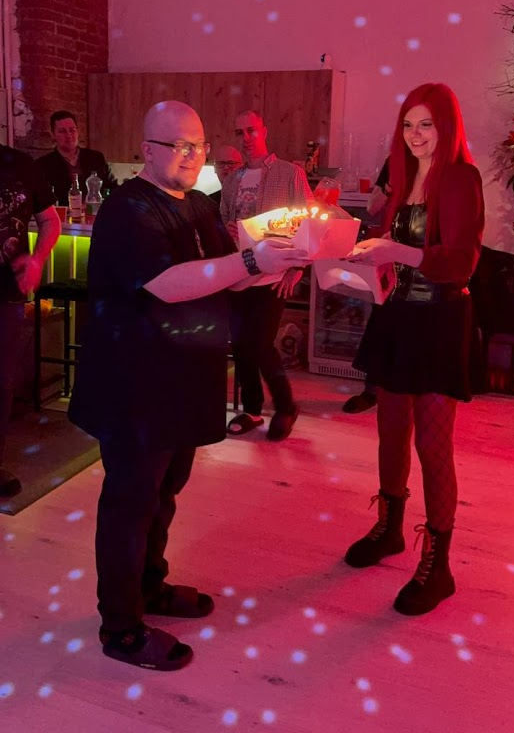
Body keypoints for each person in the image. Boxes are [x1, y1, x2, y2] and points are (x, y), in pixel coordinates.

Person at [68, 101, 305, 671]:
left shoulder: (199, 204)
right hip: (134, 384)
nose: (192, 155)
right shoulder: (128, 208)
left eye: (198, 145)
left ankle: (149, 586)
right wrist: (251, 262)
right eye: (179, 146)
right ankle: (120, 626)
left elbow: (227, 273)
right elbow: (168, 283)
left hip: (180, 381)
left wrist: (287, 257)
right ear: (147, 151)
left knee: (165, 490)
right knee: (130, 501)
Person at [343, 83, 484, 616]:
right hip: (398, 315)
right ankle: (391, 529)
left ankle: (438, 564)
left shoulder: (461, 177)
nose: (416, 134)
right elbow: (395, 253)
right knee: (390, 431)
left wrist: (394, 250)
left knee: (432, 443)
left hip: (440, 319)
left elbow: (462, 261)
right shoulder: (403, 175)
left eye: (426, 124)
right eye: (408, 124)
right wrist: (369, 262)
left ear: (446, 127)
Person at [221, 110, 313, 440]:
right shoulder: (232, 180)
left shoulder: (290, 174)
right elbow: (224, 219)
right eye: (239, 132)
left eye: (251, 130)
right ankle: (252, 409)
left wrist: (298, 268)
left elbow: (309, 223)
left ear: (264, 131)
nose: (246, 138)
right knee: (242, 345)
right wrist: (227, 228)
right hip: (239, 273)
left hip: (273, 275)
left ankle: (286, 406)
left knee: (260, 344)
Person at [0, 144, 60, 496]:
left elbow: (50, 220)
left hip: (6, 291)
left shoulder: (20, 164)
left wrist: (37, 260)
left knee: (2, 380)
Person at [342, 157, 391, 415]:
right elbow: (372, 207)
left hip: (421, 253)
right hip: (389, 250)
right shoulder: (394, 161)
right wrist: (389, 188)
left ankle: (409, 393)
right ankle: (372, 390)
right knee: (381, 317)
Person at [35, 110, 118, 206]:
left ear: (78, 132)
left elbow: (113, 188)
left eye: (72, 130)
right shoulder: (43, 165)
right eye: (62, 131)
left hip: (94, 213)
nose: (68, 135)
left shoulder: (96, 158)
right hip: (62, 214)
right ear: (53, 135)